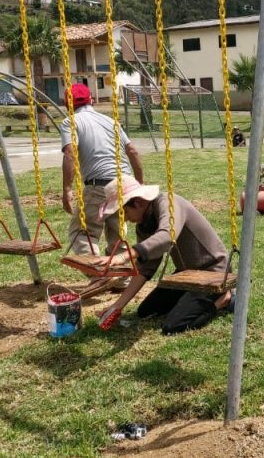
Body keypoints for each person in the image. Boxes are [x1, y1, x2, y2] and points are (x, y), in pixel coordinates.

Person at [95, 175, 234, 334]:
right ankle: (192, 299)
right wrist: (117, 306)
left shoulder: (168, 202)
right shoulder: (144, 223)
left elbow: (166, 235)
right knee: (146, 311)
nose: (125, 219)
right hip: (187, 274)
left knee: (172, 326)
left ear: (138, 202)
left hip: (213, 272)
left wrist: (124, 256)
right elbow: (146, 268)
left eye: (125, 212)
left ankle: (223, 300)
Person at [60, 82, 144, 256]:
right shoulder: (111, 121)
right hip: (124, 184)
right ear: (91, 100)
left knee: (83, 233)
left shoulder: (71, 121)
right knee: (118, 235)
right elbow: (133, 151)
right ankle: (121, 279)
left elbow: (70, 154)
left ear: (68, 105)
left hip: (99, 184)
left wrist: (67, 189)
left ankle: (98, 276)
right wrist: (139, 184)